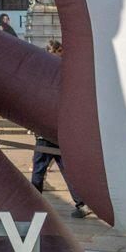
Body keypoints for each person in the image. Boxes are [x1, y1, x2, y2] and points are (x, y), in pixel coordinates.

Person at [29, 42, 87, 217]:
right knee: (66, 168)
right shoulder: (66, 75)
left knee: (39, 168)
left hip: (45, 131)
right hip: (59, 130)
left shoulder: (47, 76)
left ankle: (32, 205)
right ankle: (81, 203)